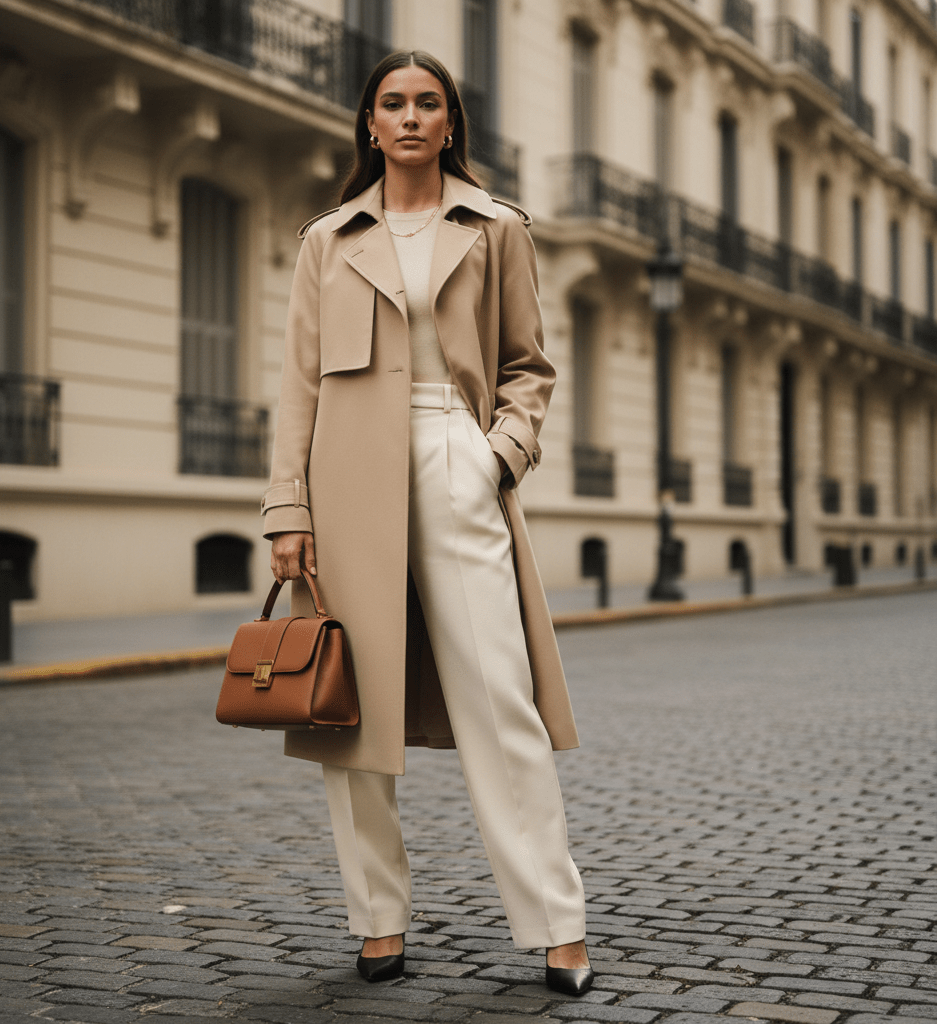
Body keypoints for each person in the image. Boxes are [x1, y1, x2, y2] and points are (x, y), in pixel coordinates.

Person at [261, 49, 594, 996]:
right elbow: (296, 386)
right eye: (392, 103)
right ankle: (378, 920)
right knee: (349, 715)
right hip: (346, 480)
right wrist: (290, 509)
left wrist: (499, 456)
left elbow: (530, 367)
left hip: (457, 461)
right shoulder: (326, 239)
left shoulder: (497, 229)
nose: (410, 117)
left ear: (452, 123)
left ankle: (556, 922)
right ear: (369, 124)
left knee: (502, 701)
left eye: (429, 103)